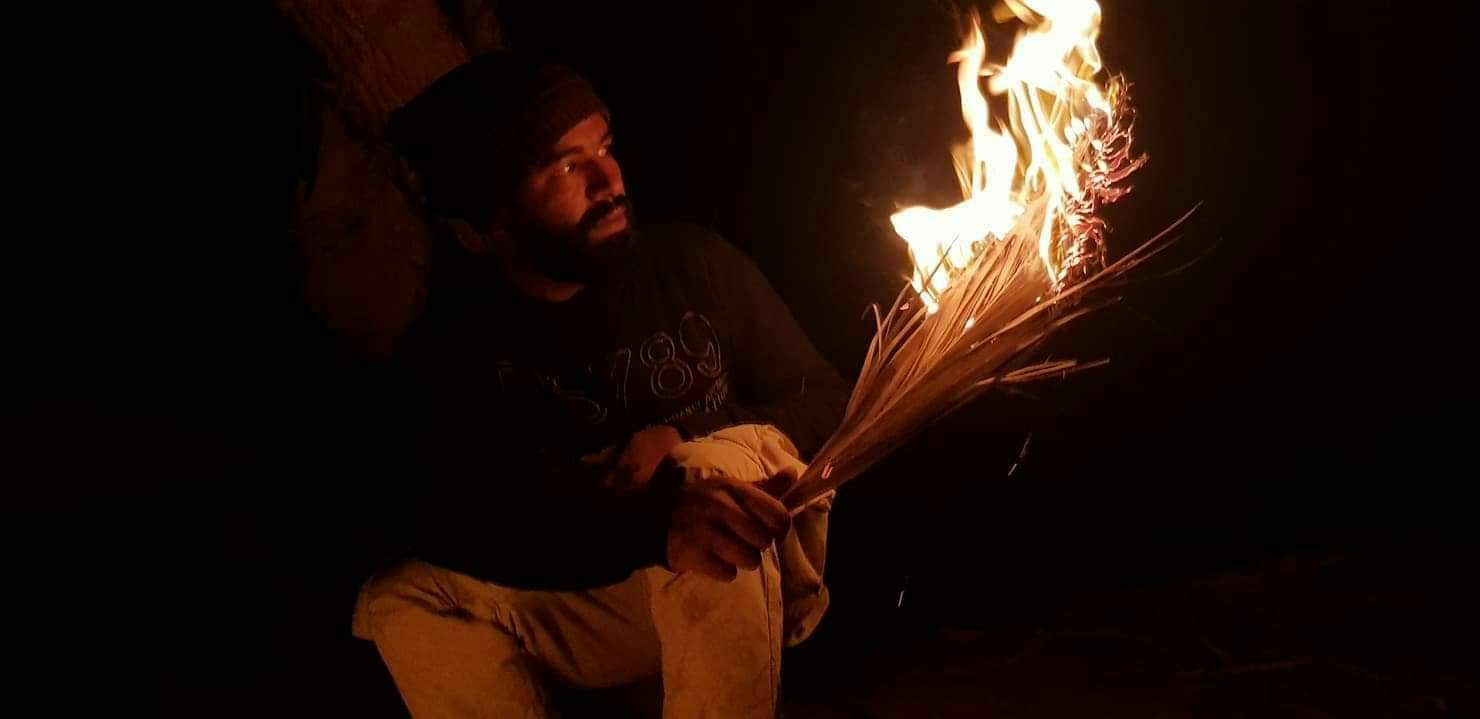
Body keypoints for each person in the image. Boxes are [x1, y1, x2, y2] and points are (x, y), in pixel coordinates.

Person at [350, 53, 849, 718]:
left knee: (710, 480)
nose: (608, 180)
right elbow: (459, 521)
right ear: (485, 227)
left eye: (604, 147)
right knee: (397, 595)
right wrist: (646, 524)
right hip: (620, 577)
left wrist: (684, 436)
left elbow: (827, 399)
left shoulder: (691, 264)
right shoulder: (458, 348)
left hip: (761, 556)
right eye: (563, 166)